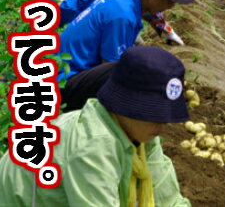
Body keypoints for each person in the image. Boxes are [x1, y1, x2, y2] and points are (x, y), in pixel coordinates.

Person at [0, 45, 192, 207]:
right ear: (126, 105)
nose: (164, 122)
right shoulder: (93, 146)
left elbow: (168, 197)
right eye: (153, 113)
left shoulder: (141, 133)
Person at [57, 0, 194, 111]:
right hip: (64, 83)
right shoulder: (122, 15)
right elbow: (112, 71)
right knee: (122, 76)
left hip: (67, 71)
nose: (170, 6)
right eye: (170, 0)